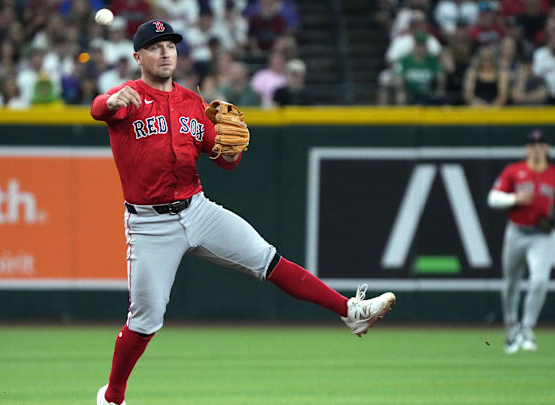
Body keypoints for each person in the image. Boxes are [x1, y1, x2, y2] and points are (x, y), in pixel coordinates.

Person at [90, 19, 397, 405]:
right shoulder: (127, 97)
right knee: (145, 320)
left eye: (170, 45)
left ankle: (351, 311)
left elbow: (224, 161)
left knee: (268, 259)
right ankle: (112, 397)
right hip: (150, 225)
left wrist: (230, 151)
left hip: (197, 209)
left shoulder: (190, 102)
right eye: (155, 46)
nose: (165, 51)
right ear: (138, 56)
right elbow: (97, 109)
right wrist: (110, 100)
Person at [487, 129, 555, 354]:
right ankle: (511, 325)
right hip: (516, 232)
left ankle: (527, 327)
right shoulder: (515, 171)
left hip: (542, 235)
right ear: (527, 148)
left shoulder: (553, 174)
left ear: (546, 148)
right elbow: (493, 198)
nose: (536, 148)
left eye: (540, 144)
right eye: (532, 144)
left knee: (539, 281)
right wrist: (515, 198)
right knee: (511, 283)